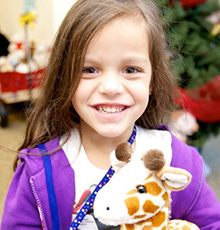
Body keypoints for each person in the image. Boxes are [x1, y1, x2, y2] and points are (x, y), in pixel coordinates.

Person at [1, 0, 220, 229]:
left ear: (152, 80)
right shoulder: (38, 171)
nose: (111, 87)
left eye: (131, 70)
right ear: (65, 77)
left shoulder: (179, 161)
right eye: (89, 70)